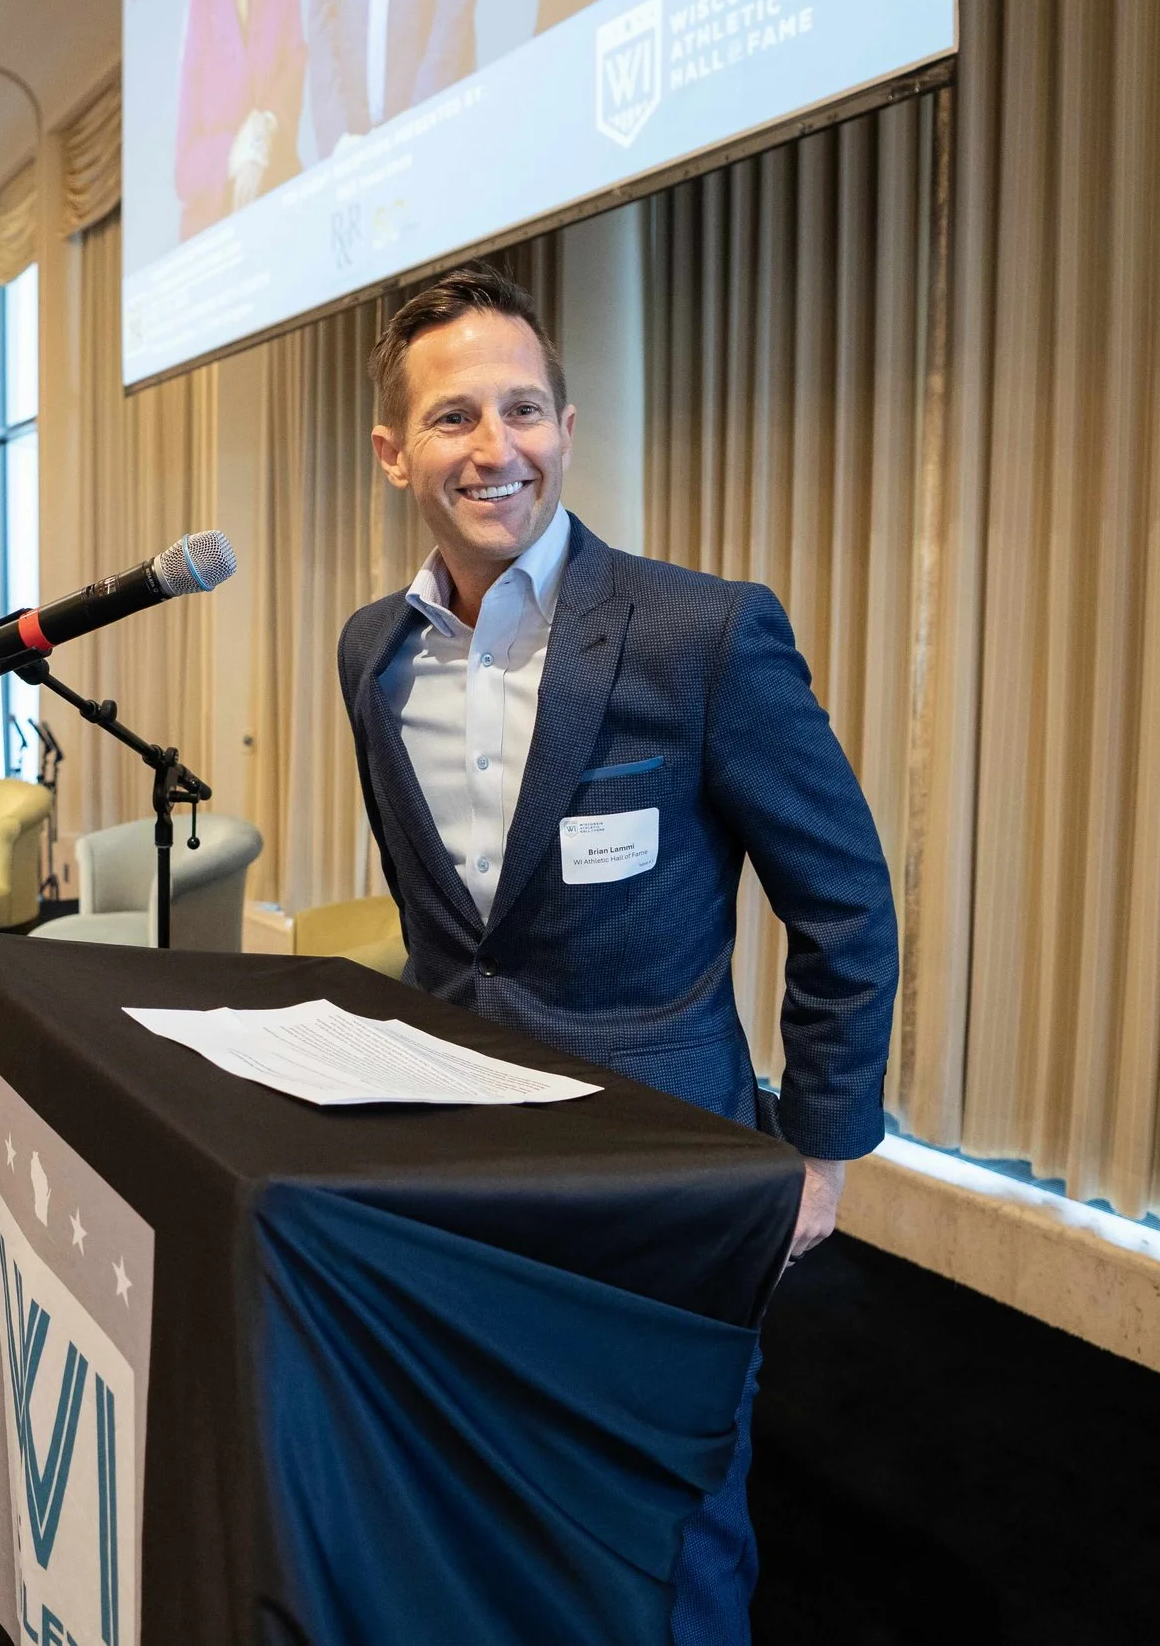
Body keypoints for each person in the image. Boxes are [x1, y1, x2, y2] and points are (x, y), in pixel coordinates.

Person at [335, 268, 897, 1644]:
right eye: (455, 415)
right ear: (396, 451)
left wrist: (816, 1152)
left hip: (665, 1165)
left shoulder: (701, 635)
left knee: (673, 1512)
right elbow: (435, 917)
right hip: (460, 1158)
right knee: (498, 1482)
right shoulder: (371, 653)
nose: (495, 446)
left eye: (521, 408)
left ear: (566, 426)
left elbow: (844, 902)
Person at [173, 0, 306, 236]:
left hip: (282, 206)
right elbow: (184, 173)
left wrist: (265, 124)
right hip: (214, 236)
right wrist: (238, 152)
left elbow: (294, 65)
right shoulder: (199, 2)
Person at [307, 0, 479, 161]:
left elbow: (453, 6)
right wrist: (336, 139)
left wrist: (425, 115)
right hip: (353, 150)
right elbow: (321, 20)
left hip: (435, 128)